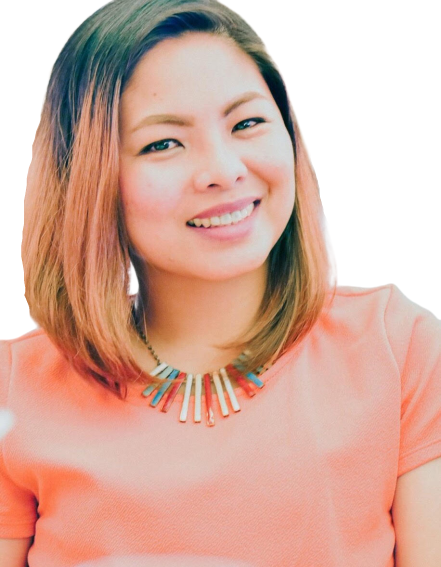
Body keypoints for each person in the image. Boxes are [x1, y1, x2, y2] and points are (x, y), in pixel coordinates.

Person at [0, 0, 440, 565]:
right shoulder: (16, 390)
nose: (224, 170)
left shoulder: (398, 350)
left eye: (247, 123)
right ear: (88, 178)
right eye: (163, 143)